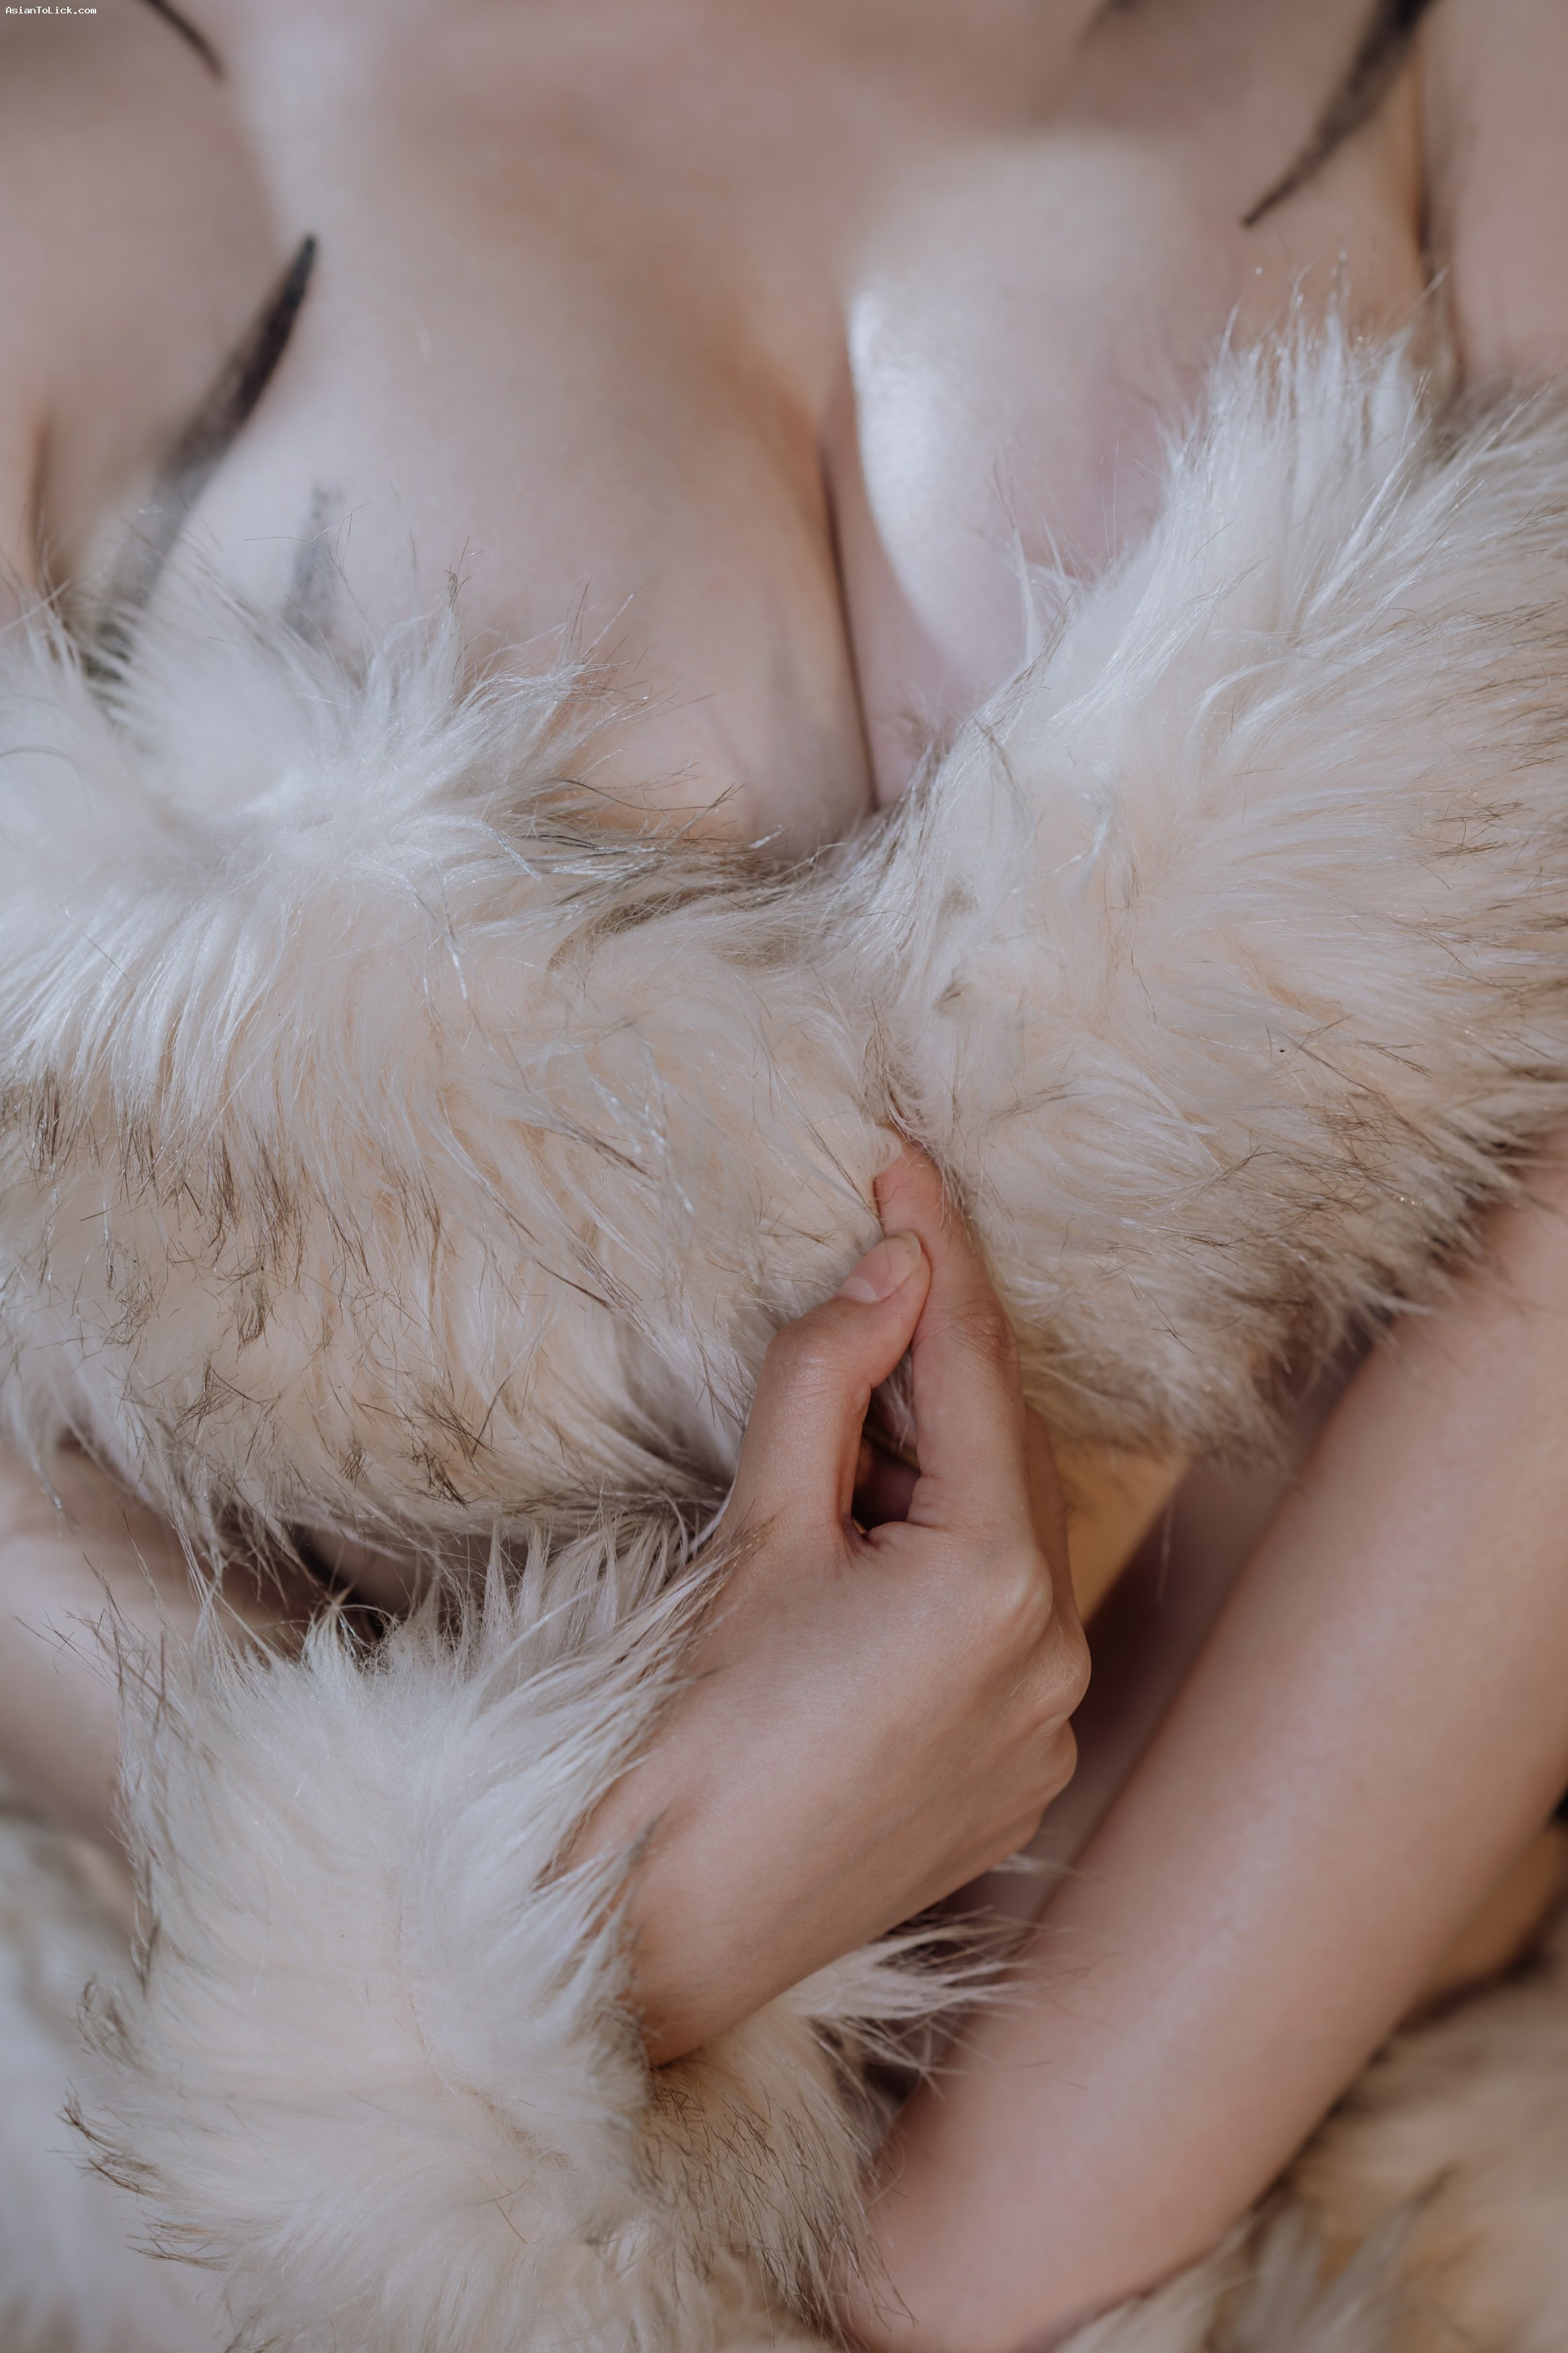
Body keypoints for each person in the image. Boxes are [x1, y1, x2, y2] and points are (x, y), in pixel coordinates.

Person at [3, 0, 1568, 2344]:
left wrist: (934, 2278)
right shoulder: (54, 148)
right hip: (396, 2259)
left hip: (1415, 2205)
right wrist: (568, 1924)